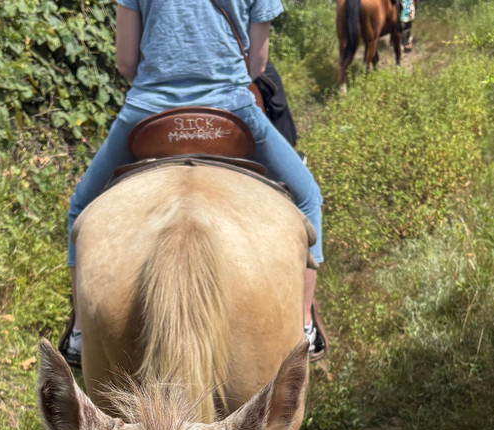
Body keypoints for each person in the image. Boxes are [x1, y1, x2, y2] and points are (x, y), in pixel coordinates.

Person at [61, 0, 325, 366]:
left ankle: (78, 333)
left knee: (80, 206)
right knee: (309, 195)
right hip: (233, 108)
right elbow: (258, 66)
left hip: (149, 110)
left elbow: (125, 64)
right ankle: (304, 324)